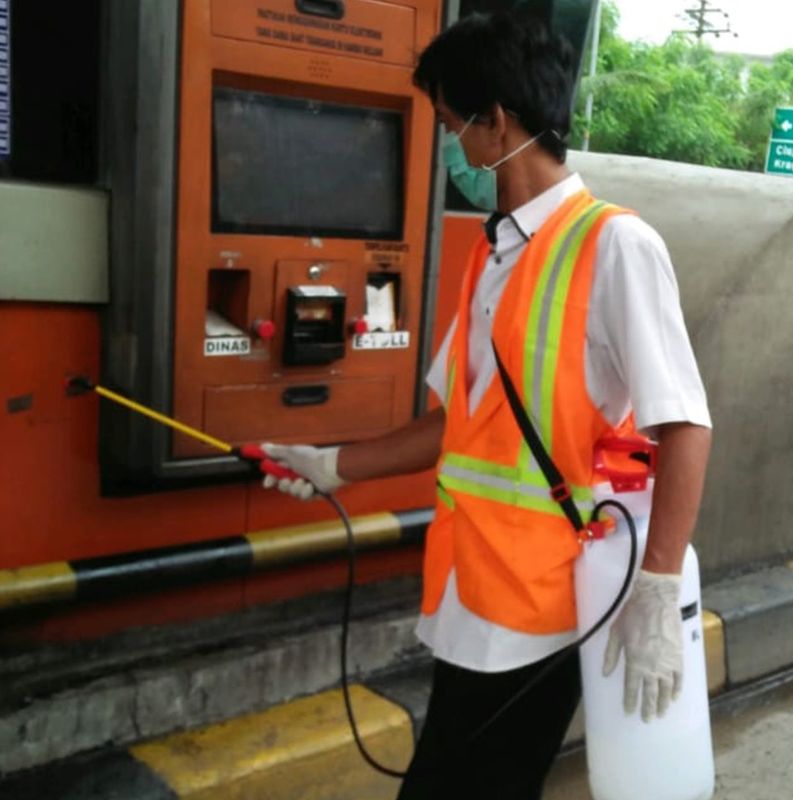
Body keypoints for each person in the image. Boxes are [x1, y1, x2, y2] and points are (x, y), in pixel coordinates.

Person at [260, 12, 712, 799]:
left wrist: (657, 586)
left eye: (450, 125)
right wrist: (334, 466)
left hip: (542, 607)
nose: (452, 149)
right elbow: (457, 425)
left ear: (495, 120)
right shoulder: (496, 252)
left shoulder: (615, 246)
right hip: (472, 591)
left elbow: (686, 425)